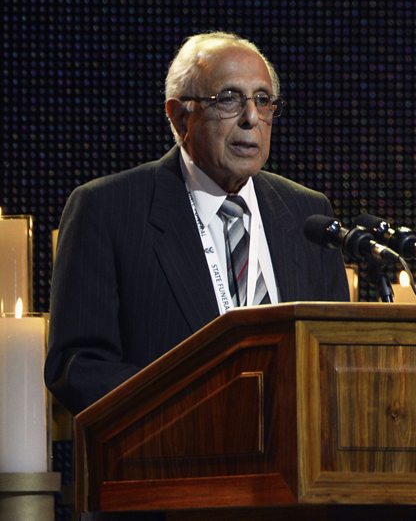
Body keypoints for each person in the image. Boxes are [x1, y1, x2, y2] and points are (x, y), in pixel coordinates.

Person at [45, 32, 350, 414]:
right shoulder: (107, 209)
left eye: (262, 100)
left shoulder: (307, 213)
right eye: (228, 99)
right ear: (179, 116)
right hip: (173, 461)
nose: (251, 118)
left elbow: (338, 359)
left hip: (296, 463)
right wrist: (197, 406)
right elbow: (77, 367)